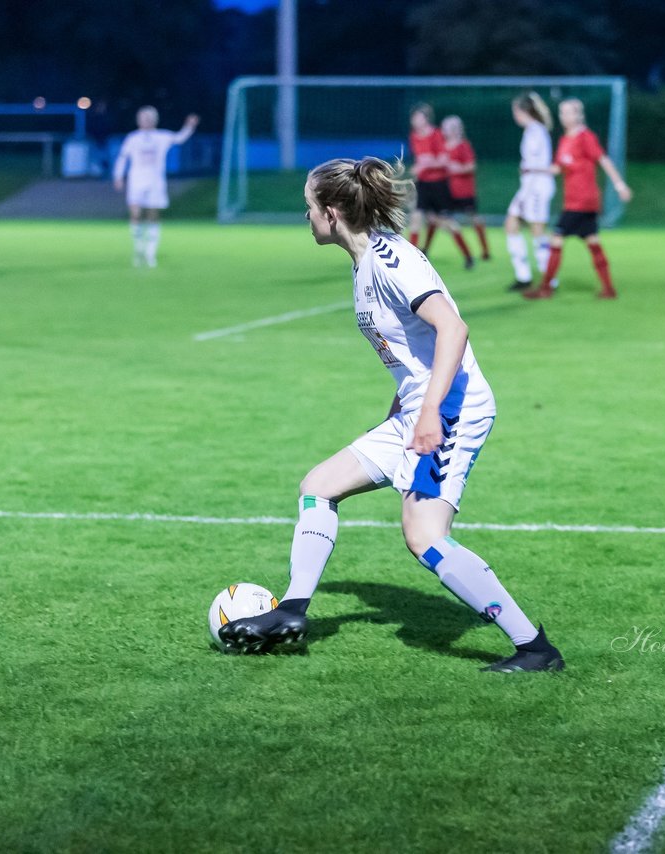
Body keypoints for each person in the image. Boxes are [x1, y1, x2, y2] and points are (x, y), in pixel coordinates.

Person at [218, 157, 564, 673]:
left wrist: (427, 416)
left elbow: (453, 329)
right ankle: (291, 610)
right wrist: (399, 413)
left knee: (423, 536)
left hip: (451, 410)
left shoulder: (391, 261)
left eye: (309, 207)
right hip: (416, 409)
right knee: (319, 485)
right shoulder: (364, 262)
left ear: (332, 212)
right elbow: (412, 356)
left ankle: (535, 648)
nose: (305, 217)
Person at [525, 98, 632, 301]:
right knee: (593, 241)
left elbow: (603, 160)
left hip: (581, 201)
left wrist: (620, 185)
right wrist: (534, 169)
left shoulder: (585, 137)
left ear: (578, 115)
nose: (563, 116)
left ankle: (545, 288)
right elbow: (557, 168)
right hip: (575, 201)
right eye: (561, 112)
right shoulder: (565, 139)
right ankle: (608, 289)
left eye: (567, 112)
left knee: (556, 239)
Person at [113, 107, 199, 267]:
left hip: (155, 181)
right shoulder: (133, 138)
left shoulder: (162, 136)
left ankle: (150, 252)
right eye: (142, 118)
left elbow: (179, 138)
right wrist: (118, 176)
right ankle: (138, 247)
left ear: (154, 120)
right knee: (135, 213)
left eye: (148, 118)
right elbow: (122, 157)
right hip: (136, 180)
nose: (145, 121)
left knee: (153, 214)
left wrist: (189, 126)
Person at [406, 104, 474, 269]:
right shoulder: (414, 136)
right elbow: (420, 161)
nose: (414, 121)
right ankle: (409, 259)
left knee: (445, 222)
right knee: (416, 219)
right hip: (423, 184)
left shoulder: (436, 135)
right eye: (413, 118)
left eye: (418, 117)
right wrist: (418, 168)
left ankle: (468, 256)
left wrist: (428, 163)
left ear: (426, 118)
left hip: (439, 184)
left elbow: (444, 161)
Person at [504, 92, 556, 292]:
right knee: (511, 225)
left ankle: (549, 278)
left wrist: (526, 194)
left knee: (537, 232)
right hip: (530, 186)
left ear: (523, 111)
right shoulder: (533, 131)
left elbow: (537, 166)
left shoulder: (536, 131)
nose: (514, 115)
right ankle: (523, 276)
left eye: (515, 111)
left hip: (536, 188)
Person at [441, 115, 491, 262]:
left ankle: (485, 250)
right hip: (448, 191)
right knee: (446, 220)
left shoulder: (463, 145)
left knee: (474, 219)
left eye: (446, 128)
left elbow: (471, 166)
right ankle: (468, 255)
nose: (443, 131)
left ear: (455, 130)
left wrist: (458, 168)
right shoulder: (443, 146)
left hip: (464, 191)